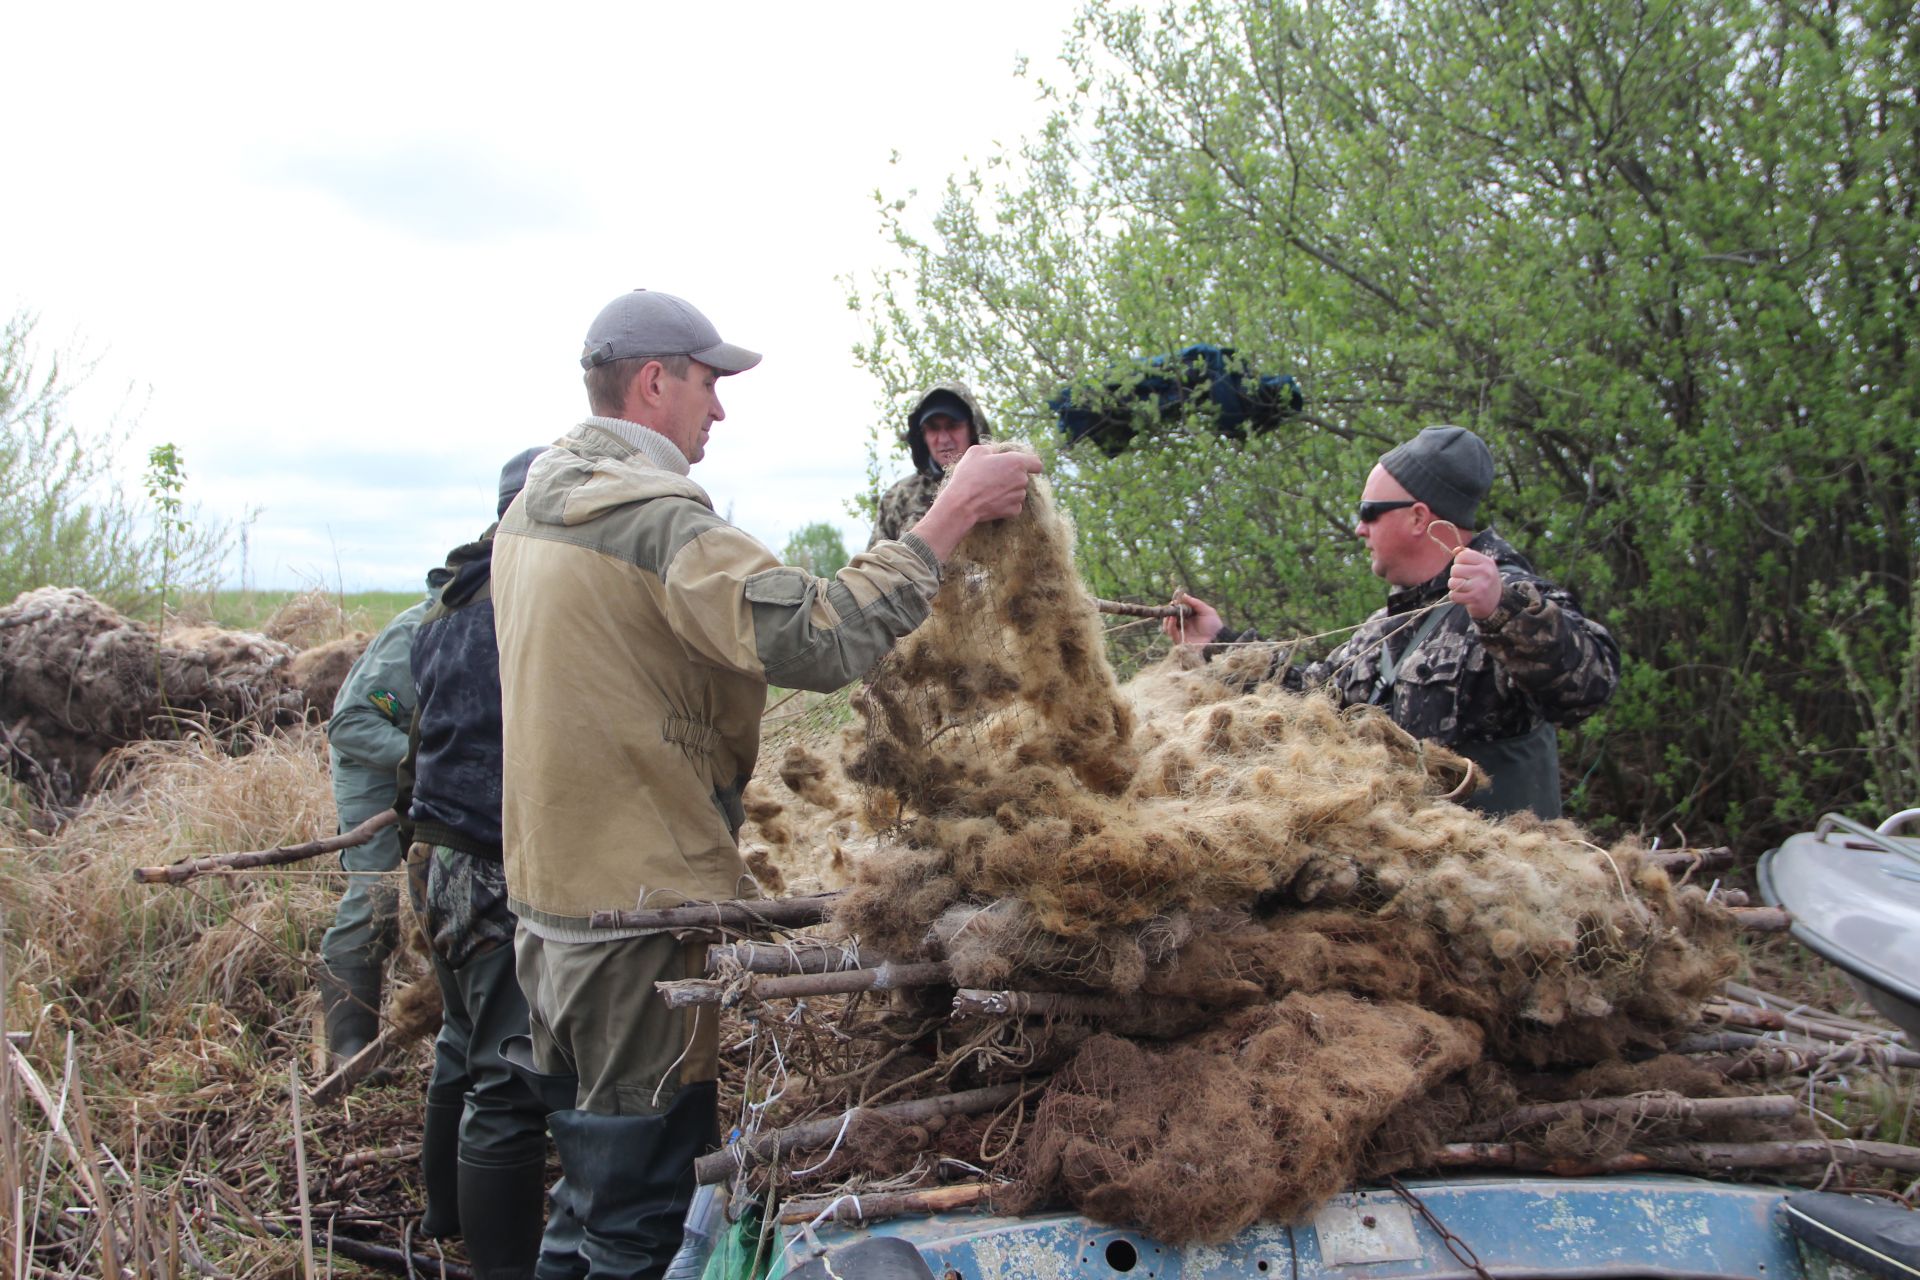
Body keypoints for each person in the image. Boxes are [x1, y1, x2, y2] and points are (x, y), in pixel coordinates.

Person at [492, 288, 1040, 1280]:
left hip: (552, 904)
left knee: (583, 1190)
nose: (720, 408)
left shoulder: (534, 508)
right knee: (642, 1215)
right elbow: (820, 635)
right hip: (635, 920)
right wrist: (951, 511)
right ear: (655, 381)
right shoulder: (653, 523)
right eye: (709, 382)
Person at [1164, 425, 1619, 819]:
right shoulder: (1386, 627)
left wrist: (1500, 609)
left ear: (1418, 517)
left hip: (1498, 889)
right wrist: (1217, 645)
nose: (1359, 529)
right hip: (1408, 878)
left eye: (1368, 512)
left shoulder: (1511, 598)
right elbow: (1309, 704)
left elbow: (1590, 687)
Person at [402, 448, 552, 1279]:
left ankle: (444, 1216)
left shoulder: (449, 600)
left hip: (433, 855)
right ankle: (502, 1267)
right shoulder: (515, 599)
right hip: (485, 864)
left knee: (462, 1042)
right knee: (508, 1075)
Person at [318, 571, 446, 1070]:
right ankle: (348, 1049)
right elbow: (353, 723)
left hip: (436, 765)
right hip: (373, 768)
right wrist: (431, 760)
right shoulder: (413, 634)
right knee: (374, 898)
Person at [867, 382, 991, 547]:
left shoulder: (1001, 486)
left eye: (953, 426)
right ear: (922, 436)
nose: (944, 439)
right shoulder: (898, 498)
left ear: (973, 429)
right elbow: (877, 569)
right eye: (933, 428)